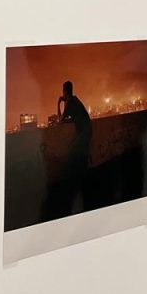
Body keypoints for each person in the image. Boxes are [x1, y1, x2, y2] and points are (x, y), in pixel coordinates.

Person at [56, 81, 93, 211]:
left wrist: (58, 103)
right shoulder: (74, 100)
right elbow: (73, 118)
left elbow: (60, 121)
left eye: (63, 91)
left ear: (65, 91)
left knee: (72, 153)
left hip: (84, 132)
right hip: (86, 130)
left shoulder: (70, 102)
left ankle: (77, 186)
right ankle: (81, 183)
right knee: (77, 153)